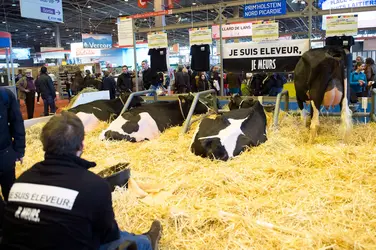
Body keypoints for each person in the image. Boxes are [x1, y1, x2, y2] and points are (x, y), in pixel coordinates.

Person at [0, 112, 162, 250]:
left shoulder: (20, 182)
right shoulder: (95, 186)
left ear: (43, 144)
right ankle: (149, 241)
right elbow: (108, 236)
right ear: (82, 145)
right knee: (128, 240)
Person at [0, 87, 25, 201]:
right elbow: (17, 122)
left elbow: (17, 122)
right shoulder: (5, 94)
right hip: (5, 153)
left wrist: (19, 150)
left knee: (10, 194)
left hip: (5, 154)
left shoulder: (4, 95)